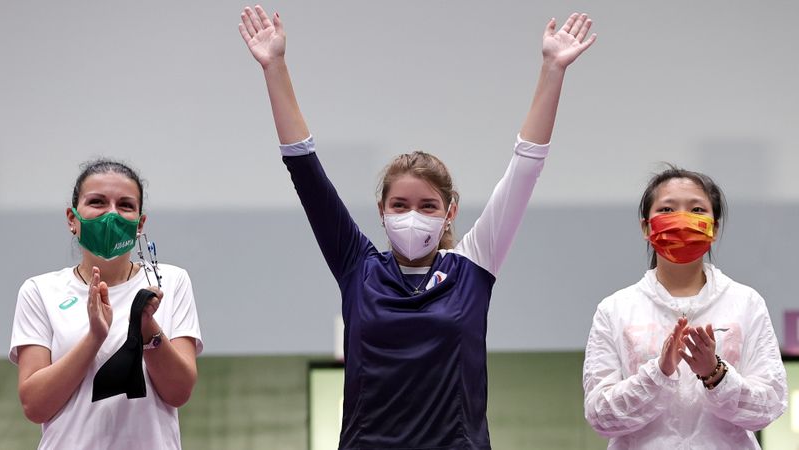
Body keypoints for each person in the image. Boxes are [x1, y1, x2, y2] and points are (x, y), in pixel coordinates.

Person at [239, 5, 595, 448]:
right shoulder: (358, 268)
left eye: (428, 205)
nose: (413, 214)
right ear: (382, 210)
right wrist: (274, 66)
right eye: (401, 204)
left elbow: (524, 171)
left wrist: (552, 70)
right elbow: (305, 170)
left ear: (450, 212)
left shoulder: (473, 267)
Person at [583, 166, 787, 449]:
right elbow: (600, 417)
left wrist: (715, 374)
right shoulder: (615, 309)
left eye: (697, 210)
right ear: (646, 227)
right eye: (666, 210)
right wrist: (659, 373)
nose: (681, 219)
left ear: (714, 228)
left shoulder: (746, 303)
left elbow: (769, 407)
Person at [9, 159, 203, 450]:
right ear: (72, 219)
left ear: (140, 223)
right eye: (97, 202)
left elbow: (179, 392)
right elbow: (35, 406)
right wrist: (94, 338)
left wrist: (147, 328)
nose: (111, 215)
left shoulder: (170, 282)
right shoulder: (39, 291)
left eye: (125, 205)